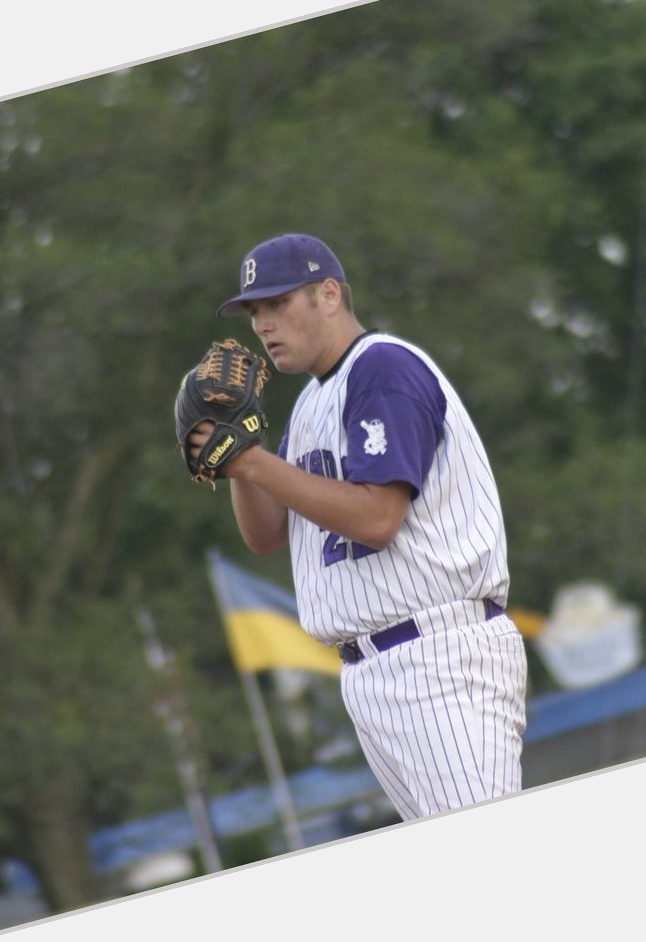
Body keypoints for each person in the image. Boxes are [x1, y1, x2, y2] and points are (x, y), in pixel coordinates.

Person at [192, 232, 528, 820]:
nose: (264, 325)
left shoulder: (382, 368)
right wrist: (240, 448)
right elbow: (266, 535)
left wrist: (253, 461)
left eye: (278, 304)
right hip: (374, 674)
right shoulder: (310, 404)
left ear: (328, 294)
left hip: (439, 659)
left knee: (487, 871)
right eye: (254, 312)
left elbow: (378, 517)